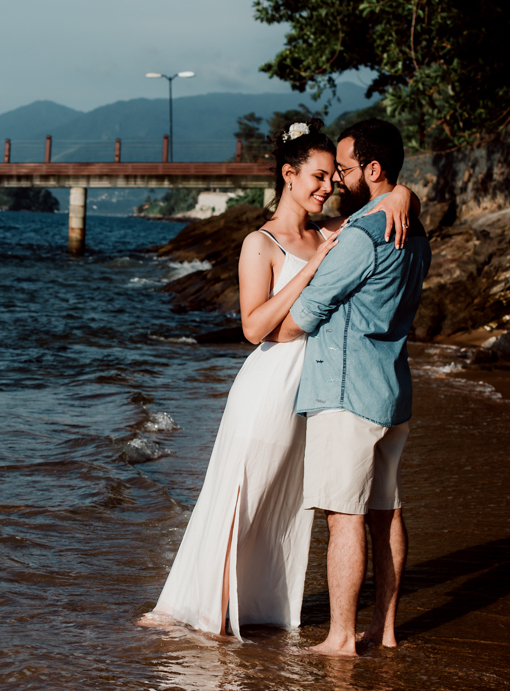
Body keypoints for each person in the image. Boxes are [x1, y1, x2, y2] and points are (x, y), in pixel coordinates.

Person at [140, 119, 417, 639]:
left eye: (334, 177)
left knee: (288, 505)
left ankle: (263, 606)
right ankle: (204, 609)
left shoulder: (334, 231)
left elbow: (383, 198)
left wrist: (402, 194)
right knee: (243, 494)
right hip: (270, 384)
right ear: (288, 176)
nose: (328, 186)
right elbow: (252, 327)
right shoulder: (259, 243)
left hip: (320, 388)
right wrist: (310, 272)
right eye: (317, 176)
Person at [274, 118, 433, 656]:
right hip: (392, 391)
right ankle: (384, 630)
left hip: (346, 394)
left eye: (344, 168)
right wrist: (402, 195)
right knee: (386, 511)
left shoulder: (365, 235)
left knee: (345, 517)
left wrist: (269, 335)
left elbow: (310, 309)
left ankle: (341, 636)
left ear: (373, 169)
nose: (338, 180)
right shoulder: (414, 232)